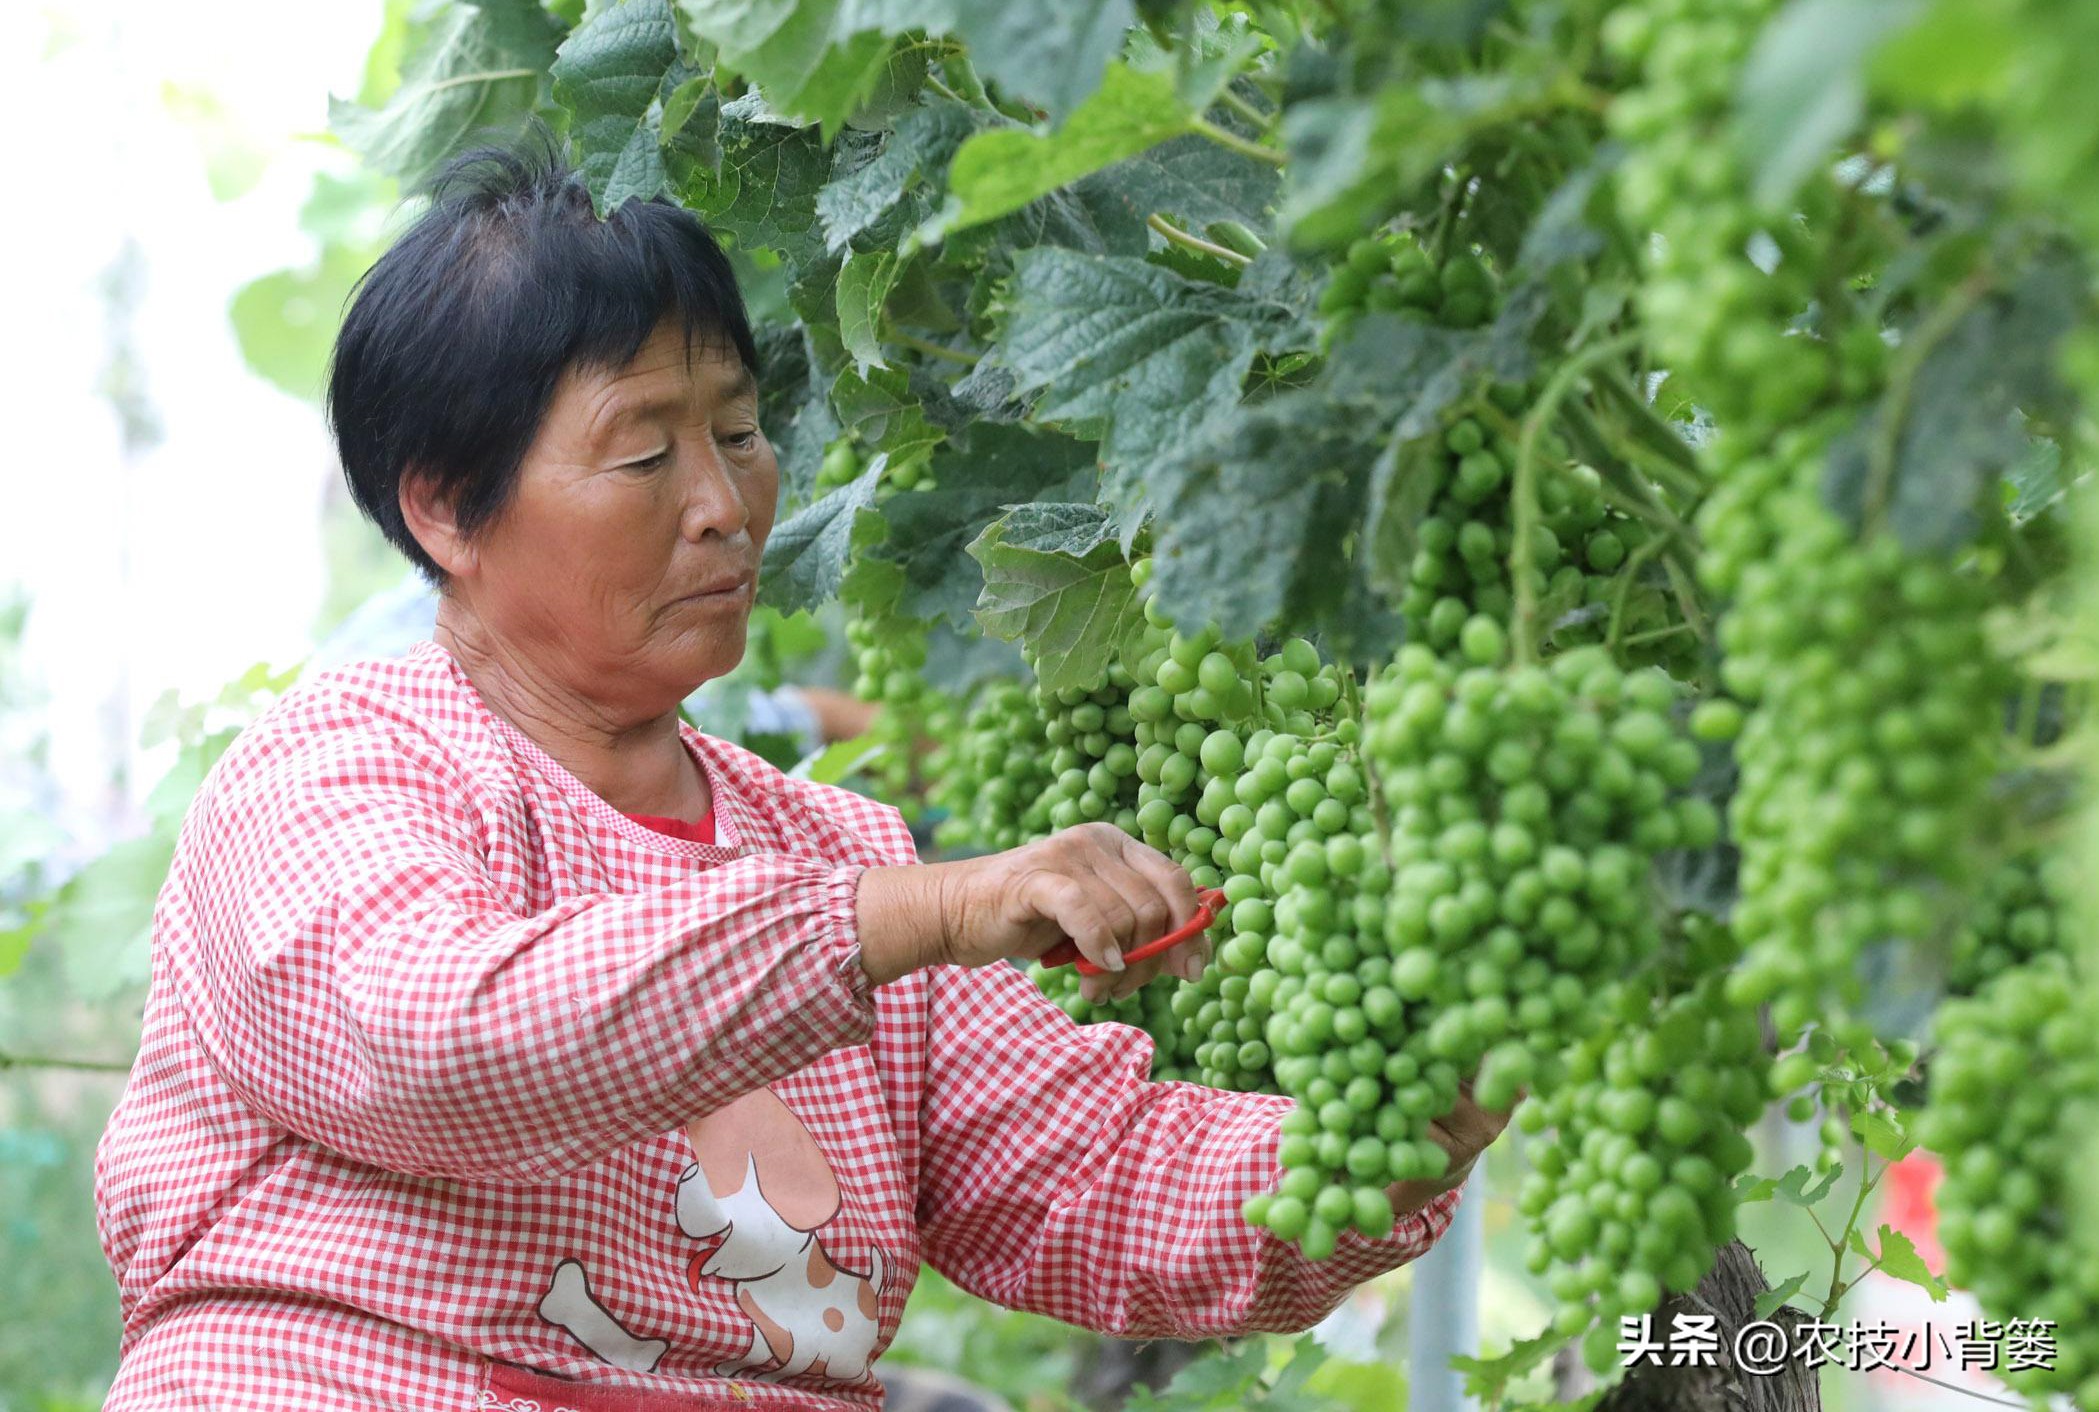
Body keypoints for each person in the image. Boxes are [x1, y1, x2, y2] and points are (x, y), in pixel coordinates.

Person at [94, 139, 1507, 1412]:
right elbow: (443, 1047)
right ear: (447, 507)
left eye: (739, 434)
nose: (724, 505)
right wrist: (919, 913)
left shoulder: (838, 847)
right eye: (644, 453)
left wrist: (1404, 1136)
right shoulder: (335, 772)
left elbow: (1099, 1179)